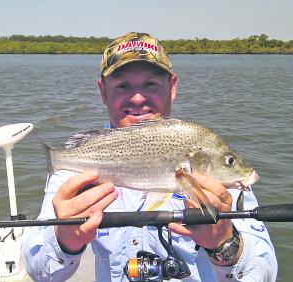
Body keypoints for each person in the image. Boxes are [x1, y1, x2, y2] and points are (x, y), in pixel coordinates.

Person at [22, 32, 277, 281]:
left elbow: (264, 272)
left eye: (151, 84)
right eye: (122, 85)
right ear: (103, 91)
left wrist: (224, 243)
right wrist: (65, 240)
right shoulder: (78, 164)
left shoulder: (221, 179)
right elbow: (41, 273)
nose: (138, 98)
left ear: (172, 87)